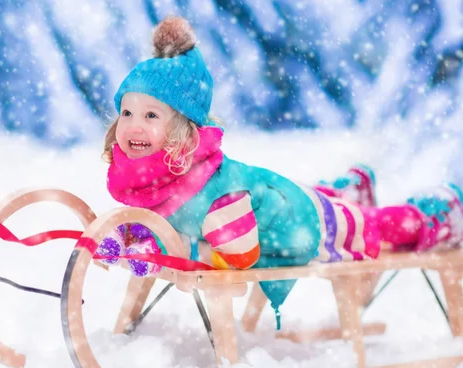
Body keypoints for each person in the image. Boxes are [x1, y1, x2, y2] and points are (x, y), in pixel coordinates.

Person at [95, 16, 463, 325]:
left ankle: (437, 213)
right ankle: (349, 188)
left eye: (151, 116)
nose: (134, 126)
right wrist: (138, 238)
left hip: (300, 222)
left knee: (369, 226)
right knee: (331, 203)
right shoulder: (153, 179)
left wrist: (158, 246)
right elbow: (171, 224)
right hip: (276, 197)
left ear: (180, 131)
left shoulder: (215, 193)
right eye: (127, 113)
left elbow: (237, 256)